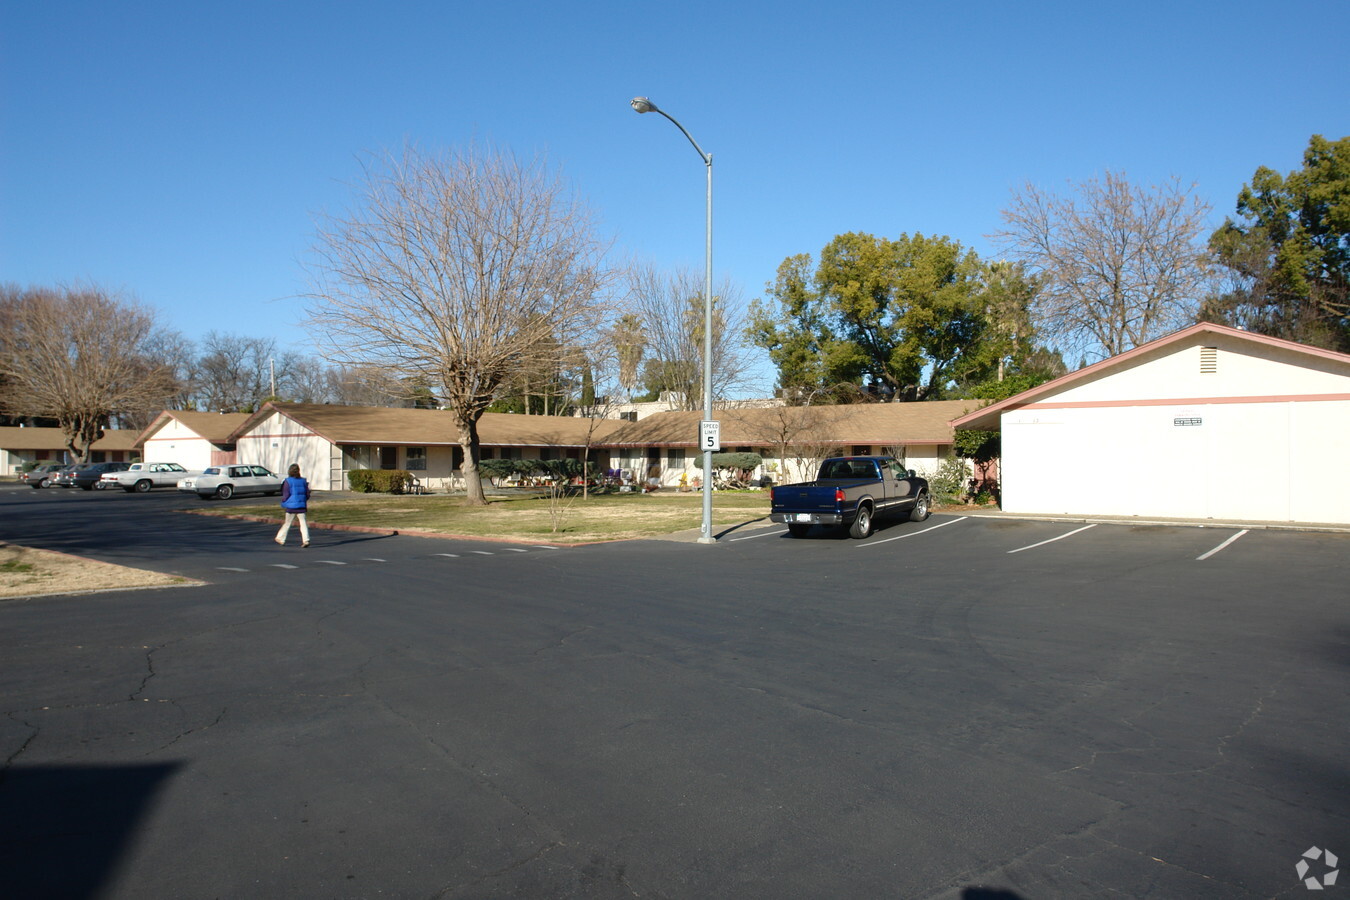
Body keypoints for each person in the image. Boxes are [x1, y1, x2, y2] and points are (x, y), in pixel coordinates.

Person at [275, 463, 311, 548]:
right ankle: (306, 539)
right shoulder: (303, 481)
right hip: (301, 505)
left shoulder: (287, 481)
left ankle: (280, 538)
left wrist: (283, 502)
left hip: (291, 506)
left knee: (287, 523)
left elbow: (286, 494)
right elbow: (307, 493)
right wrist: (303, 500)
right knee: (303, 523)